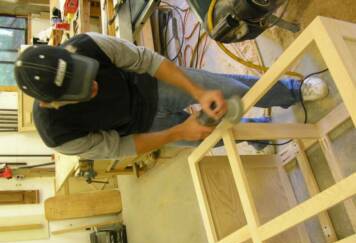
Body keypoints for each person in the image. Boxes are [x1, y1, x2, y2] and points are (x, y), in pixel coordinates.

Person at [14, 32, 328, 159]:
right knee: (209, 137)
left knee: (229, 90)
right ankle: (253, 133)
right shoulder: (59, 136)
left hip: (147, 83)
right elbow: (119, 146)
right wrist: (179, 131)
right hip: (140, 129)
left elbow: (147, 61)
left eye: (85, 73)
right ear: (51, 103)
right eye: (80, 92)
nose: (93, 85)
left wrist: (197, 91)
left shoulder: (86, 45)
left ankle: (293, 91)